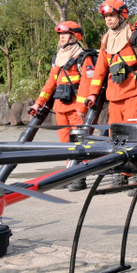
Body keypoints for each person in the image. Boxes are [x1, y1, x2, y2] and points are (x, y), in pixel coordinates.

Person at [86, 0, 137, 195]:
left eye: (112, 15)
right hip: (115, 96)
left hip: (135, 94)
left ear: (122, 15)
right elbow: (100, 68)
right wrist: (93, 93)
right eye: (106, 16)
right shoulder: (106, 40)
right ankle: (122, 172)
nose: (108, 20)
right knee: (116, 138)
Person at [30, 21, 95, 192]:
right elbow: (50, 84)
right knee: (66, 144)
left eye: (65, 34)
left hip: (75, 109)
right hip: (60, 107)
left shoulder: (83, 57)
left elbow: (87, 83)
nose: (62, 37)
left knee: (79, 144)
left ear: (75, 36)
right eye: (60, 35)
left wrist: (82, 108)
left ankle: (79, 177)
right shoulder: (58, 58)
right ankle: (69, 174)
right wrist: (39, 102)